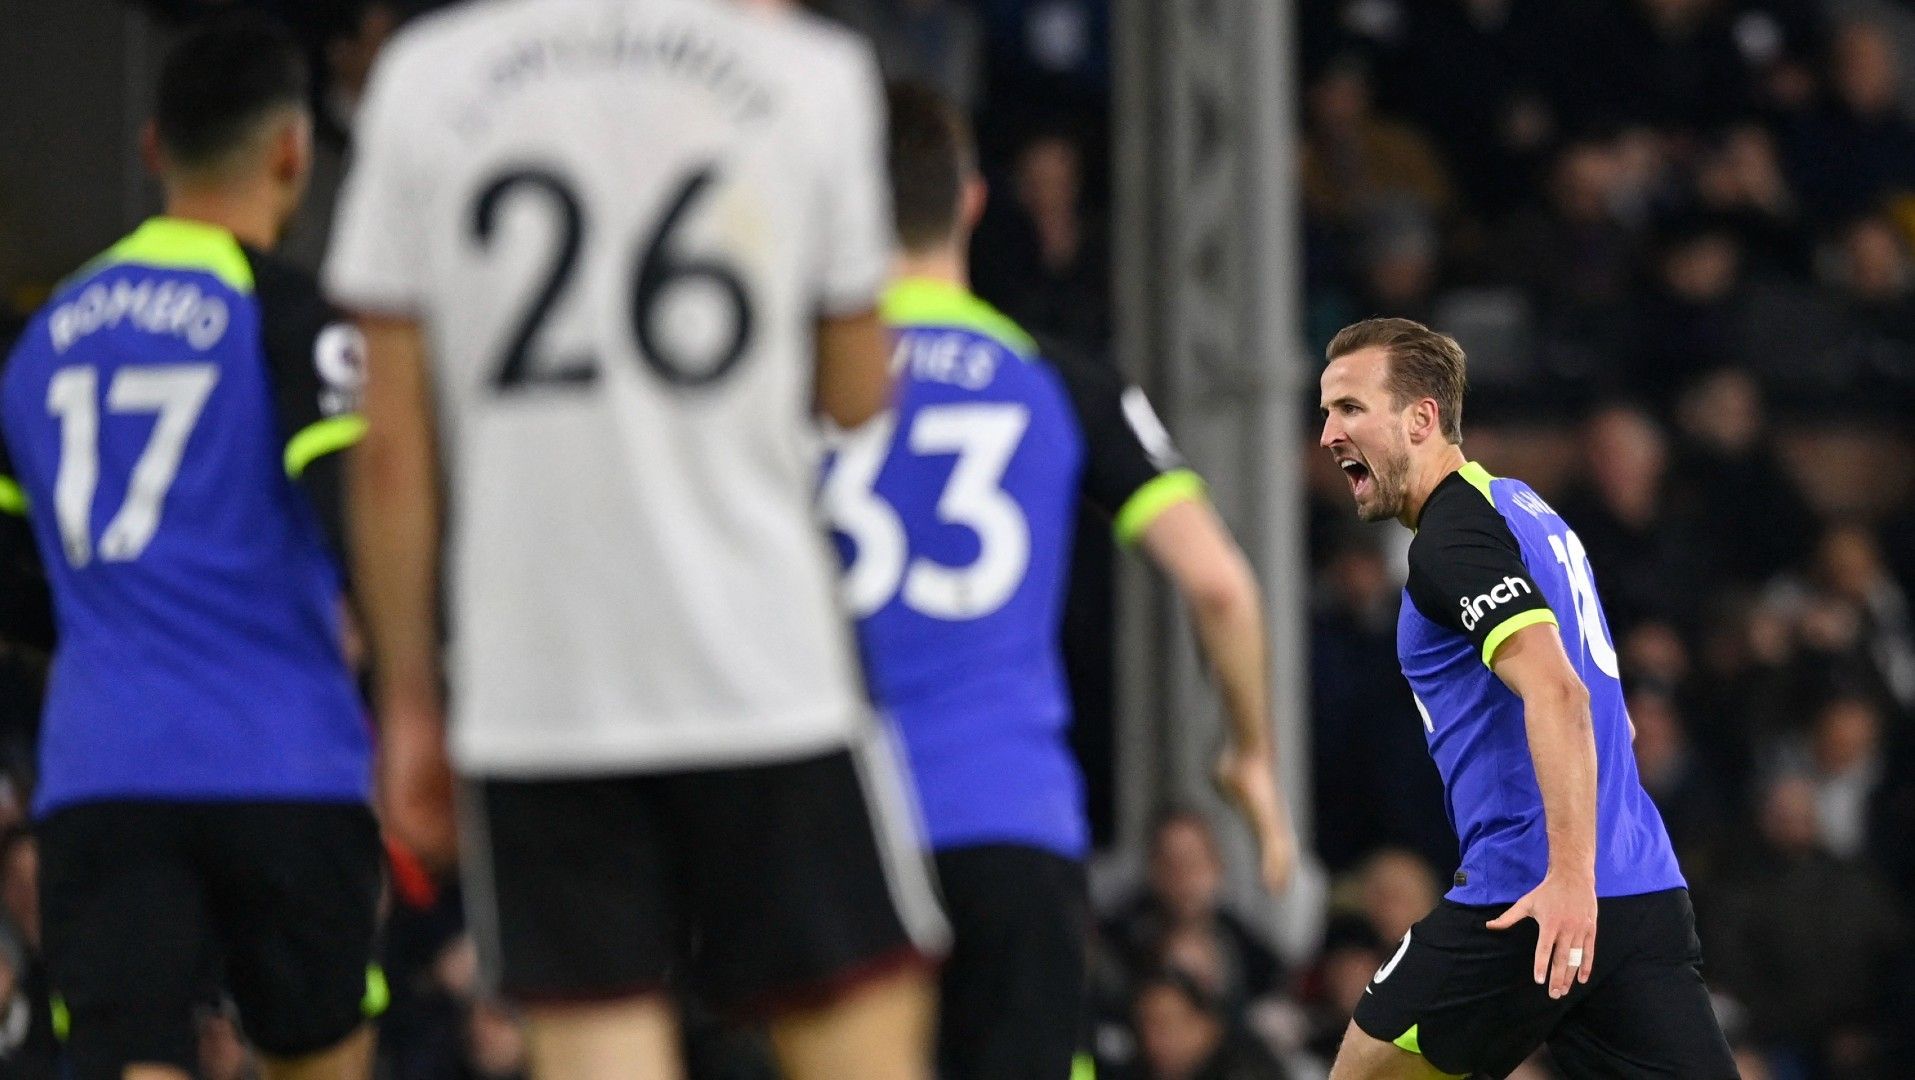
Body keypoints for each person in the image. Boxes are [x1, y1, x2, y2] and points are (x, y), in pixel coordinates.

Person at [323, 2, 946, 1078]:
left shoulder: (425, 79)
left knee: (596, 1042)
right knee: (860, 1031)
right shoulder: (807, 73)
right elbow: (855, 394)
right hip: (758, 664)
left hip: (536, 684)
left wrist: (410, 697)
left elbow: (390, 450)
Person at [822, 83, 1292, 1080]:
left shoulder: (792, 381)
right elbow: (1220, 586)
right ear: (974, 203)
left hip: (831, 826)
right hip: (1006, 819)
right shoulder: (1054, 377)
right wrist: (1248, 749)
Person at [0, 15, 380, 1080]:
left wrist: (100, 625)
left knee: (134, 1060)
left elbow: (10, 561)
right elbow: (355, 504)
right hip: (283, 763)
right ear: (293, 150)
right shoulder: (289, 314)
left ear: (152, 146)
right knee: (320, 1055)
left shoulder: (43, 336)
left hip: (102, 768)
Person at [1316, 317, 1736, 1079]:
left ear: (1421, 419)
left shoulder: (1453, 541)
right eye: (1325, 411)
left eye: (1348, 408)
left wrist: (1569, 882)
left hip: (1531, 899)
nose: (1326, 434)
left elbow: (1559, 692)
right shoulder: (1524, 508)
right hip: (1639, 895)